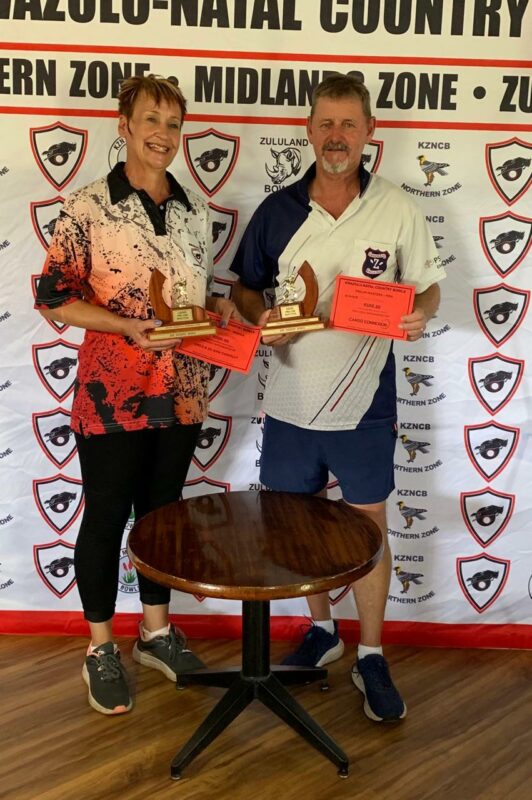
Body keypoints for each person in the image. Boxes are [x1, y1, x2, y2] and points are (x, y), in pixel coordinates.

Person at [230, 73, 444, 722]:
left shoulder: (397, 208)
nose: (336, 136)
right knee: (299, 531)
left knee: (368, 532)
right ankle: (322, 632)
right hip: (291, 401)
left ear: (370, 132)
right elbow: (244, 287)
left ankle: (371, 653)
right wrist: (259, 315)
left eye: (349, 124)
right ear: (308, 131)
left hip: (365, 403)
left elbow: (428, 285)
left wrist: (421, 313)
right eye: (325, 123)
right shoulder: (277, 211)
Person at [35, 74, 238, 716]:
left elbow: (191, 296)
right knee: (104, 517)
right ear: (124, 126)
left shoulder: (195, 209)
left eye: (174, 124)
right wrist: (123, 325)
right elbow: (54, 298)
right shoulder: (88, 206)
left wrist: (217, 306)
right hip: (111, 394)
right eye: (152, 120)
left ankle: (155, 633)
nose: (163, 134)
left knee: (161, 516)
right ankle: (100, 648)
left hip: (181, 393)